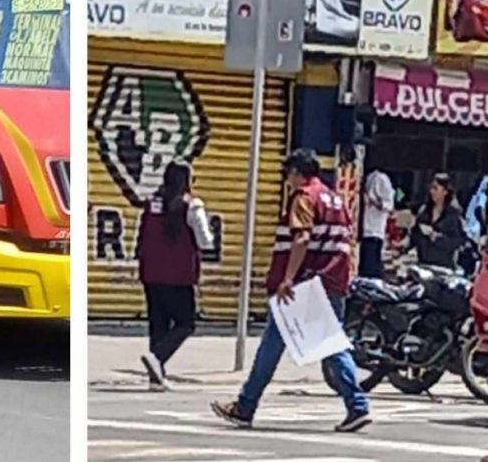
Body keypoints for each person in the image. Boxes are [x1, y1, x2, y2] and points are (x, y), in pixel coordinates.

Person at [211, 148, 371, 433]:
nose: (287, 181)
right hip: (332, 282)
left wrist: (287, 278)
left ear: (297, 173)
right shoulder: (336, 199)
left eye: (288, 174)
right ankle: (246, 405)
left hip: (305, 286)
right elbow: (348, 242)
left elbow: (301, 239)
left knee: (321, 346)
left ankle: (356, 405)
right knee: (282, 344)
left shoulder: (305, 197)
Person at [137, 161, 213, 392]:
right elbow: (205, 241)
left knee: (158, 323)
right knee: (186, 323)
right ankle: (157, 358)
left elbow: (142, 236)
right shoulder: (192, 206)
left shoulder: (152, 203)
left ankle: (156, 379)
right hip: (179, 276)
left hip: (150, 272)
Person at [410, 173, 466, 269]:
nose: (432, 192)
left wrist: (436, 237)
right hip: (423, 264)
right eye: (431, 188)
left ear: (445, 191)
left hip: (443, 266)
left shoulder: (453, 215)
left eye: (436, 188)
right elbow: (414, 234)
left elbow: (458, 241)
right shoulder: (424, 211)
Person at [359, 165, 393, 279]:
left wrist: (374, 202)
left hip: (374, 231)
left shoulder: (381, 179)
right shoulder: (367, 178)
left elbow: (388, 205)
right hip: (364, 230)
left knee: (370, 268)